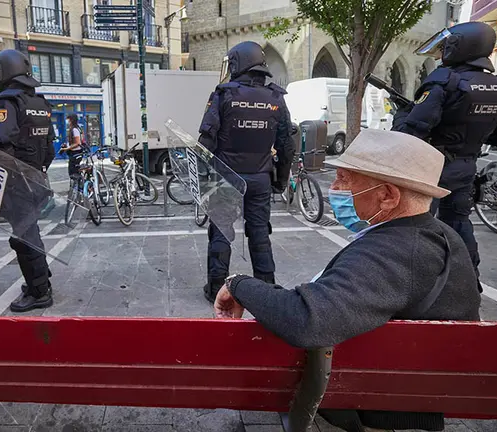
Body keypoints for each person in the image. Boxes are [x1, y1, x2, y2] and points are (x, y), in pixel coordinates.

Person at [214, 129, 481, 432]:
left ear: (388, 196)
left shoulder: (396, 252)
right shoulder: (441, 235)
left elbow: (309, 321)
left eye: (344, 179)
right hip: (414, 388)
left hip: (380, 402)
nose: (335, 189)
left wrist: (237, 283)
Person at [393, 21, 497, 287]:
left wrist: (401, 113)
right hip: (466, 168)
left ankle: (411, 288)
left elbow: (410, 133)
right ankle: (469, 282)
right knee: (459, 225)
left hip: (431, 170)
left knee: (414, 229)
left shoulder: (445, 81)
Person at [198, 40, 294, 303]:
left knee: (221, 231)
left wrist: (203, 179)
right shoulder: (276, 97)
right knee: (260, 232)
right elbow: (287, 145)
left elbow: (206, 141)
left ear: (238, 62)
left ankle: (217, 287)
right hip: (261, 178)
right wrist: (280, 180)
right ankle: (267, 288)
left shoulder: (224, 94)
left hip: (226, 177)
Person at [0, 49, 56, 312]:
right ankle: (40, 279)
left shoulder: (5, 103)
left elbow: (1, 147)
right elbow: (49, 148)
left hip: (17, 183)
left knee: (25, 238)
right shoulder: (39, 102)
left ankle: (39, 293)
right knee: (32, 233)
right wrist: (36, 170)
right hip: (37, 179)